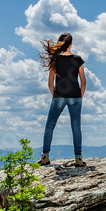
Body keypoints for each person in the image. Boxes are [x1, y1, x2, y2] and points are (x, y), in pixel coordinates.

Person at [38, 32, 87, 166]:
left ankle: (45, 156)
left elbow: (50, 83)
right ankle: (78, 158)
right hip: (75, 96)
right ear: (71, 44)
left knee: (50, 125)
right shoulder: (78, 59)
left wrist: (56, 95)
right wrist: (80, 96)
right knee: (76, 126)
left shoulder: (55, 60)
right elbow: (83, 81)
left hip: (59, 96)